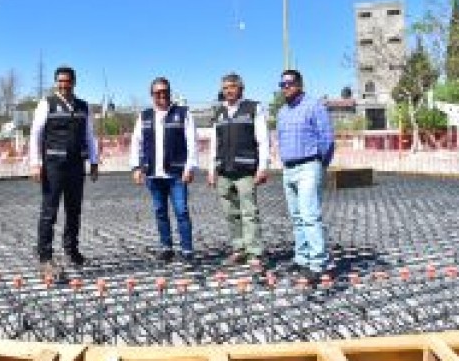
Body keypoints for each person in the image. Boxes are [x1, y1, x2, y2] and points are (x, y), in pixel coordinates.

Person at [28, 65, 99, 279]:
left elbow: (90, 135)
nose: (63, 84)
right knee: (49, 211)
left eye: (67, 81)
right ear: (56, 82)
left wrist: (94, 161)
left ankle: (71, 251)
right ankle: (45, 256)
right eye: (60, 81)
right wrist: (35, 163)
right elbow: (35, 134)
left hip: (76, 165)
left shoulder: (83, 106)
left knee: (74, 210)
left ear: (74, 82)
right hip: (53, 166)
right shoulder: (47, 103)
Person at [129, 76, 199, 264]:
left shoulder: (183, 113)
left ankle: (187, 250)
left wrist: (190, 166)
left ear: (170, 92)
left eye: (165, 91)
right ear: (152, 95)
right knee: (160, 211)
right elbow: (136, 142)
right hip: (153, 174)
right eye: (157, 92)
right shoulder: (144, 116)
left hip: (177, 174)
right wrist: (136, 167)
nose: (162, 95)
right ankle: (166, 247)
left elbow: (192, 142)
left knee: (181, 212)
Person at [275, 69, 335, 285]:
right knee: (297, 217)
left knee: (310, 216)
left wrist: (320, 164)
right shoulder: (282, 112)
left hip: (309, 165)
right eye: (282, 84)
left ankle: (318, 263)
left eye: (289, 83)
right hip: (288, 168)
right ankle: (302, 259)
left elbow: (327, 138)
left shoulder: (314, 106)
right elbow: (279, 138)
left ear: (299, 84)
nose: (285, 87)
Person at [207, 72, 270, 267]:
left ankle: (254, 252)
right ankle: (239, 249)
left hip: (245, 171)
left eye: (232, 87)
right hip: (224, 171)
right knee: (230, 213)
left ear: (241, 88)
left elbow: (263, 140)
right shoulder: (219, 112)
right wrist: (211, 169)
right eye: (225, 88)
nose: (228, 91)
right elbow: (214, 143)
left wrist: (263, 167)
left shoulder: (253, 108)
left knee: (249, 213)